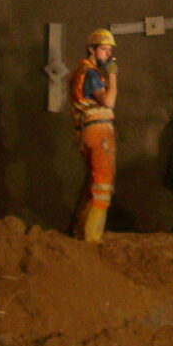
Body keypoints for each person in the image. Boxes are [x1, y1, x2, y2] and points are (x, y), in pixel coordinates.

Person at [68, 28, 119, 242]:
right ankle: (92, 237)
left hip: (87, 129)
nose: (108, 54)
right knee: (102, 184)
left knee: (93, 182)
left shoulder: (83, 71)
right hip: (98, 131)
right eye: (104, 49)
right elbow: (108, 101)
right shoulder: (90, 73)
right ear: (92, 50)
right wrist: (113, 75)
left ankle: (80, 231)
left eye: (109, 50)